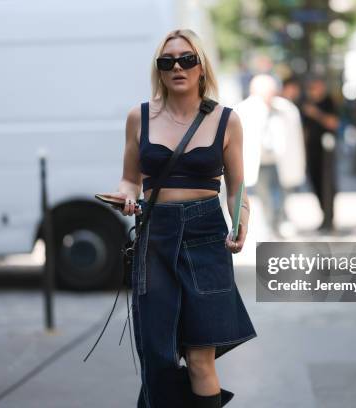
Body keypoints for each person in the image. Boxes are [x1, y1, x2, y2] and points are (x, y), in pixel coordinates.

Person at [101, 29, 256, 408]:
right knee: (158, 355)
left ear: (201, 66)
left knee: (201, 357)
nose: (177, 67)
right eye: (167, 61)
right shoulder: (139, 118)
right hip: (156, 235)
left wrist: (241, 222)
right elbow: (130, 177)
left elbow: (236, 187)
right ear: (160, 70)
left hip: (206, 237)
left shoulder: (226, 120)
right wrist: (124, 195)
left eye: (187, 59)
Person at [236, 75, 305, 238]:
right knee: (266, 196)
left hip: (281, 161)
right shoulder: (243, 110)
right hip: (259, 163)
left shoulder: (286, 109)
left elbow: (295, 139)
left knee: (282, 195)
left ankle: (278, 222)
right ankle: (270, 225)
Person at [301, 76, 339, 231]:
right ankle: (324, 215)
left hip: (326, 152)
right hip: (311, 151)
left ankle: (329, 218)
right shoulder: (306, 103)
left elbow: (333, 123)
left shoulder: (328, 102)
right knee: (315, 183)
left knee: (327, 183)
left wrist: (315, 113)